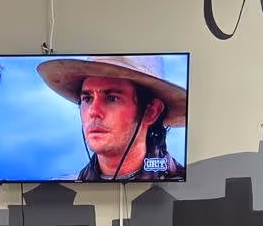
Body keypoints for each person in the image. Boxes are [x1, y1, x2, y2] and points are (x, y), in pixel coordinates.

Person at [36, 54, 187, 181]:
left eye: (112, 98)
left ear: (151, 112)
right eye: (87, 99)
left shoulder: (186, 189)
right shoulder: (61, 190)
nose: (93, 112)